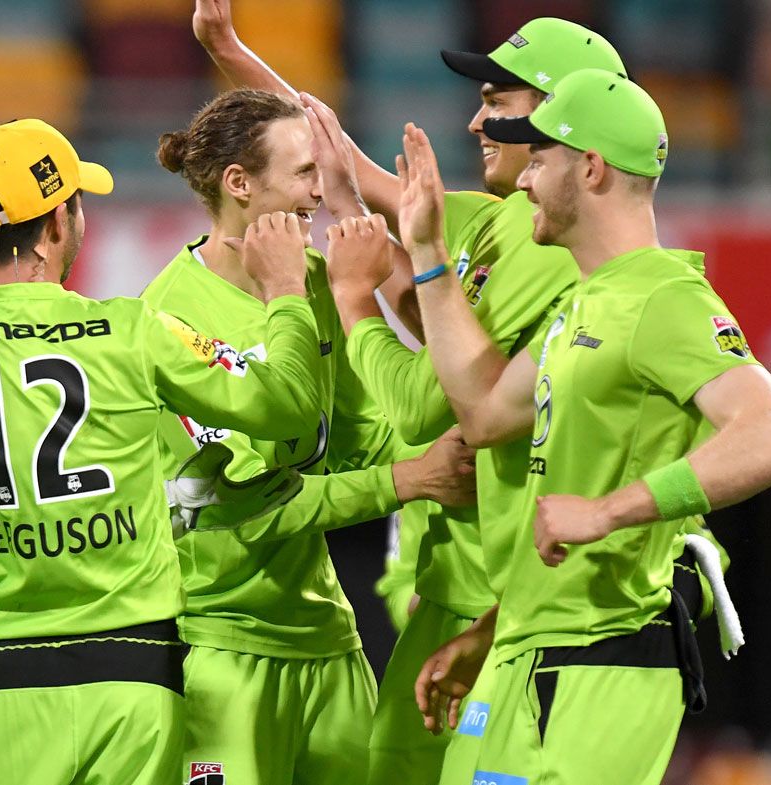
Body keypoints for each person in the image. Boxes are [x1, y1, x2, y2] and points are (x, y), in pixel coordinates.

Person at [192, 7, 728, 782]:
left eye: (499, 105)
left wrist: (355, 300)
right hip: (475, 598)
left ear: (562, 124)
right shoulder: (498, 222)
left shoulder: (552, 252)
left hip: (523, 598)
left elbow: (427, 407)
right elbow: (339, 169)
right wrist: (230, 52)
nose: (478, 121)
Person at [344, 68, 771, 785]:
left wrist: (610, 509)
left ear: (589, 168)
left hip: (602, 660)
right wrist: (428, 254)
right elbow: (485, 408)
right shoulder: (584, 304)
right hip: (525, 651)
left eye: (540, 160)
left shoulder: (664, 297)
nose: (524, 180)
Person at [0, 118, 326, 785]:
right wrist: (284, 292)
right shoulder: (132, 330)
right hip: (132, 685)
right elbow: (286, 404)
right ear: (55, 226)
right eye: (77, 203)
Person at [145, 88, 476, 784]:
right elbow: (247, 504)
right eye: (303, 173)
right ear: (239, 184)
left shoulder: (322, 282)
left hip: (329, 640)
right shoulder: (167, 321)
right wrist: (410, 481)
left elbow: (370, 432)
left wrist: (463, 451)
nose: (319, 193)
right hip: (220, 647)